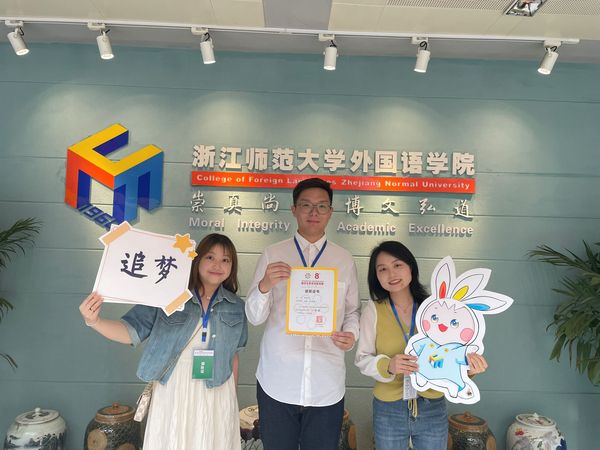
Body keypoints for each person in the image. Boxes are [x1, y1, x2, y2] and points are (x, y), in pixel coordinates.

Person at [79, 233, 248, 450]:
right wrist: (94, 321)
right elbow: (130, 331)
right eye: (210, 257)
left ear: (232, 266)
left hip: (217, 390)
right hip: (174, 385)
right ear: (197, 259)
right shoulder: (168, 293)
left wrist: (231, 397)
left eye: (225, 260)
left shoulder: (236, 306)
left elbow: (234, 356)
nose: (217, 265)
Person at [245, 177, 360, 450]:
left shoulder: (343, 259)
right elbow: (254, 316)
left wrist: (351, 334)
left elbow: (353, 311)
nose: (314, 212)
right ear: (294, 209)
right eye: (306, 205)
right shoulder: (273, 254)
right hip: (277, 380)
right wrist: (264, 285)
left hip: (326, 382)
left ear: (330, 212)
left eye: (321, 206)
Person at [355, 241, 488, 450]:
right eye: (382, 269)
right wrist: (388, 365)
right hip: (388, 408)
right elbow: (362, 358)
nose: (391, 274)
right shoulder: (373, 310)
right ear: (376, 276)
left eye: (397, 265)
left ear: (411, 267)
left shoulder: (437, 308)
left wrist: (469, 369)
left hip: (432, 405)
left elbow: (453, 353)